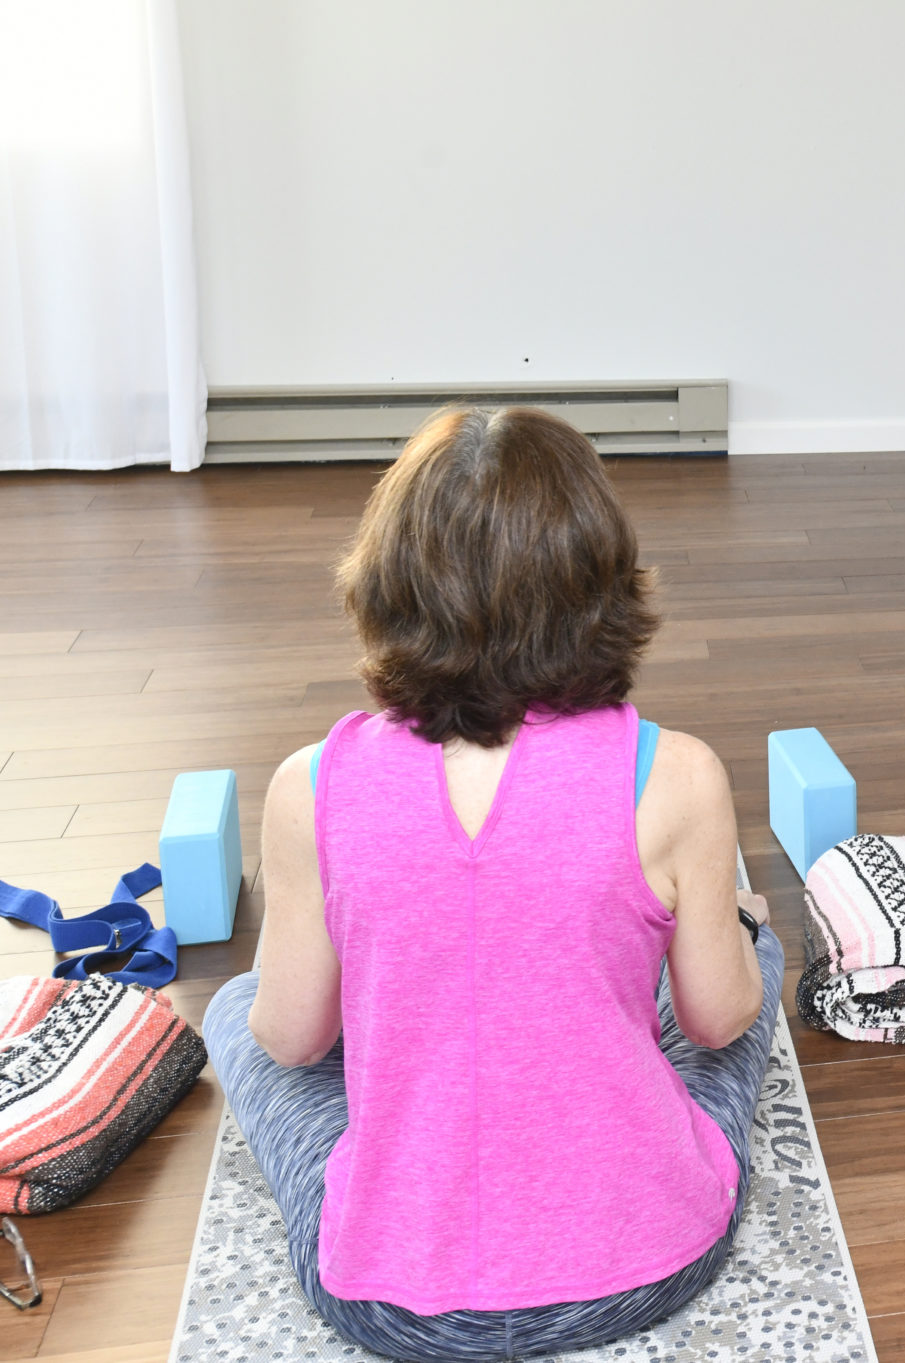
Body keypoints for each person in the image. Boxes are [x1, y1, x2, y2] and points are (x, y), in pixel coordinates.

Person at [204, 406, 782, 1361]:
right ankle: (735, 928)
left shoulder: (311, 785)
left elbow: (294, 1037)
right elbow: (716, 1022)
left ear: (389, 584)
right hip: (646, 1266)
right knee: (742, 981)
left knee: (237, 1008)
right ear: (604, 584)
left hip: (390, 1306)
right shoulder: (678, 774)